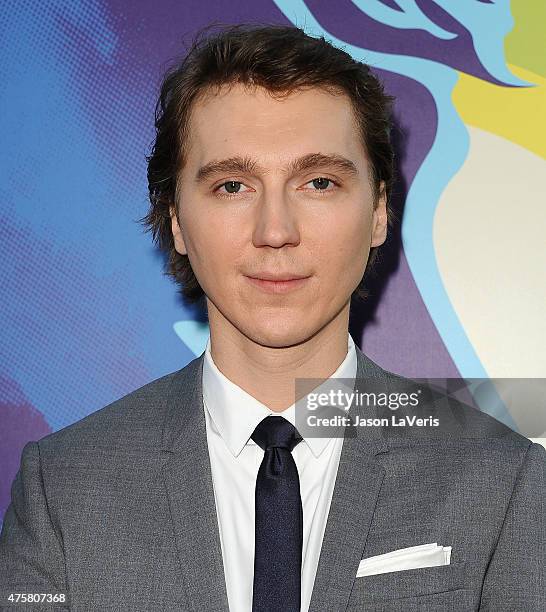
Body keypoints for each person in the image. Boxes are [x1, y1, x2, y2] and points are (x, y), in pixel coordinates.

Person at [1, 23, 544, 612]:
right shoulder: (64, 485)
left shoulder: (502, 480)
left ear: (381, 211)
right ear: (176, 218)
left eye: (318, 182)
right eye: (233, 185)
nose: (275, 231)